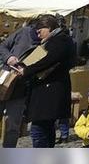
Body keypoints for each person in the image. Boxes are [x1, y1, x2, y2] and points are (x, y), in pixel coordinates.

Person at [15, 15, 74, 148]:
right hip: (47, 92)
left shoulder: (60, 40)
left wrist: (26, 70)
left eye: (39, 30)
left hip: (50, 93)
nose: (38, 34)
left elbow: (46, 61)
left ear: (48, 27)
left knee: (38, 131)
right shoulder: (56, 40)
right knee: (45, 130)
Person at [0, 18, 40, 147]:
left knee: (13, 125)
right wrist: (9, 57)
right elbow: (3, 46)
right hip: (5, 81)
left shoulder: (46, 43)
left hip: (21, 88)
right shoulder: (23, 32)